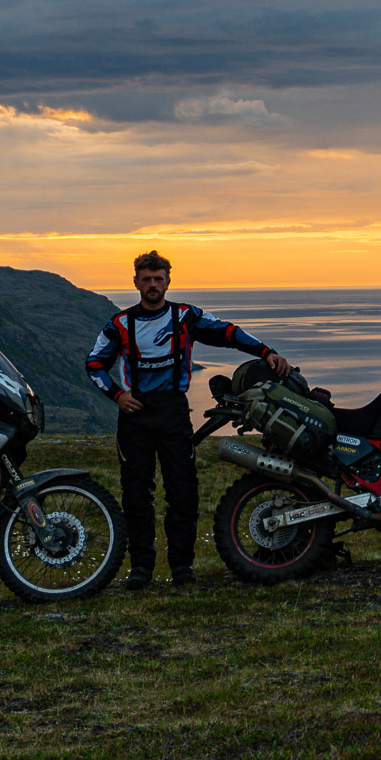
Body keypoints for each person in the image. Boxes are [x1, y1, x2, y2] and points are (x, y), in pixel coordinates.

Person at [85, 250, 293, 588]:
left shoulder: (185, 316)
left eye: (158, 279)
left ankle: (182, 569)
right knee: (136, 495)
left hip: (173, 411)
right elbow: (94, 364)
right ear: (136, 282)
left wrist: (266, 352)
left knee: (183, 492)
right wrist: (118, 396)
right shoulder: (120, 323)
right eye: (146, 279)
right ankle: (141, 570)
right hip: (135, 416)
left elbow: (228, 333)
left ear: (168, 281)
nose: (153, 285)